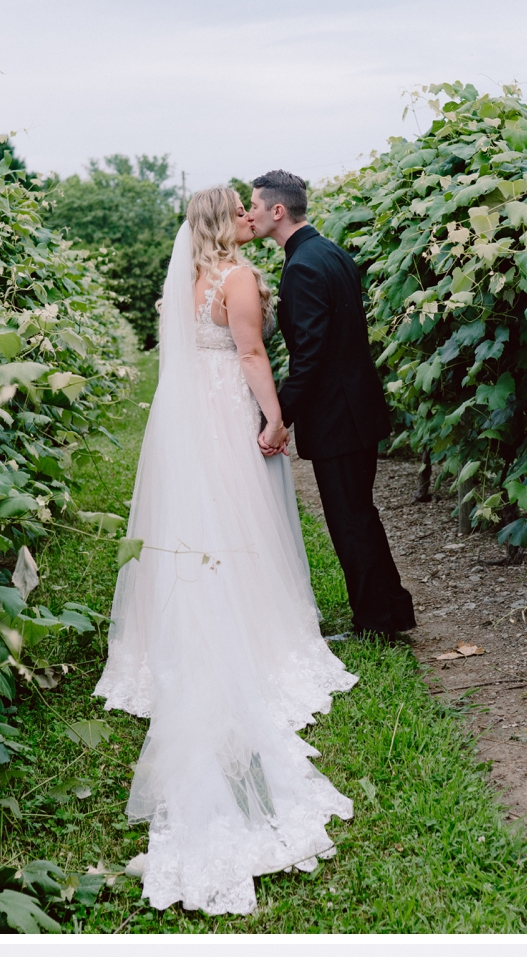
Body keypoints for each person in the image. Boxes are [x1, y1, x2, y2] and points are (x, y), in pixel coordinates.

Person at [96, 185, 357, 919]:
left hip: (185, 414)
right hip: (222, 409)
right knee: (241, 519)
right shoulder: (239, 278)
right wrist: (276, 416)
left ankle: (169, 630)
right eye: (241, 210)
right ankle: (254, 624)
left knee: (195, 522)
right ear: (224, 224)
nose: (251, 216)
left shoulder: (183, 280)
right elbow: (247, 353)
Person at [249, 170, 418, 642]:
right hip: (356, 408)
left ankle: (376, 622)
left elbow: (311, 355)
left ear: (277, 211)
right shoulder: (330, 251)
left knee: (350, 521)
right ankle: (390, 610)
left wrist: (279, 418)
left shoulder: (302, 265)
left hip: (338, 415)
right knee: (359, 514)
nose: (251, 214)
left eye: (255, 206)